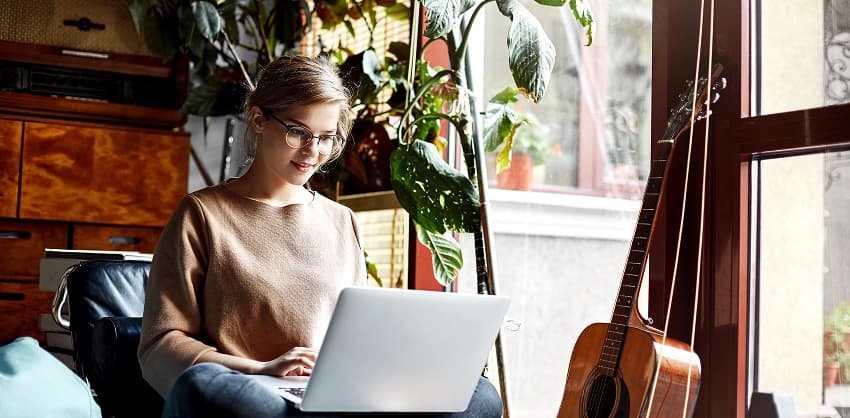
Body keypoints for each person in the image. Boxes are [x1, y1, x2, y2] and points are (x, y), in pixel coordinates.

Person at [138, 55, 503, 418]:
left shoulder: (342, 221)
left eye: (327, 138)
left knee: (479, 394)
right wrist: (260, 369)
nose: (313, 151)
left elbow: (362, 335)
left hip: (340, 398)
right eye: (298, 131)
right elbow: (160, 345)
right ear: (258, 118)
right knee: (204, 387)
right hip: (259, 397)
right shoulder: (201, 215)